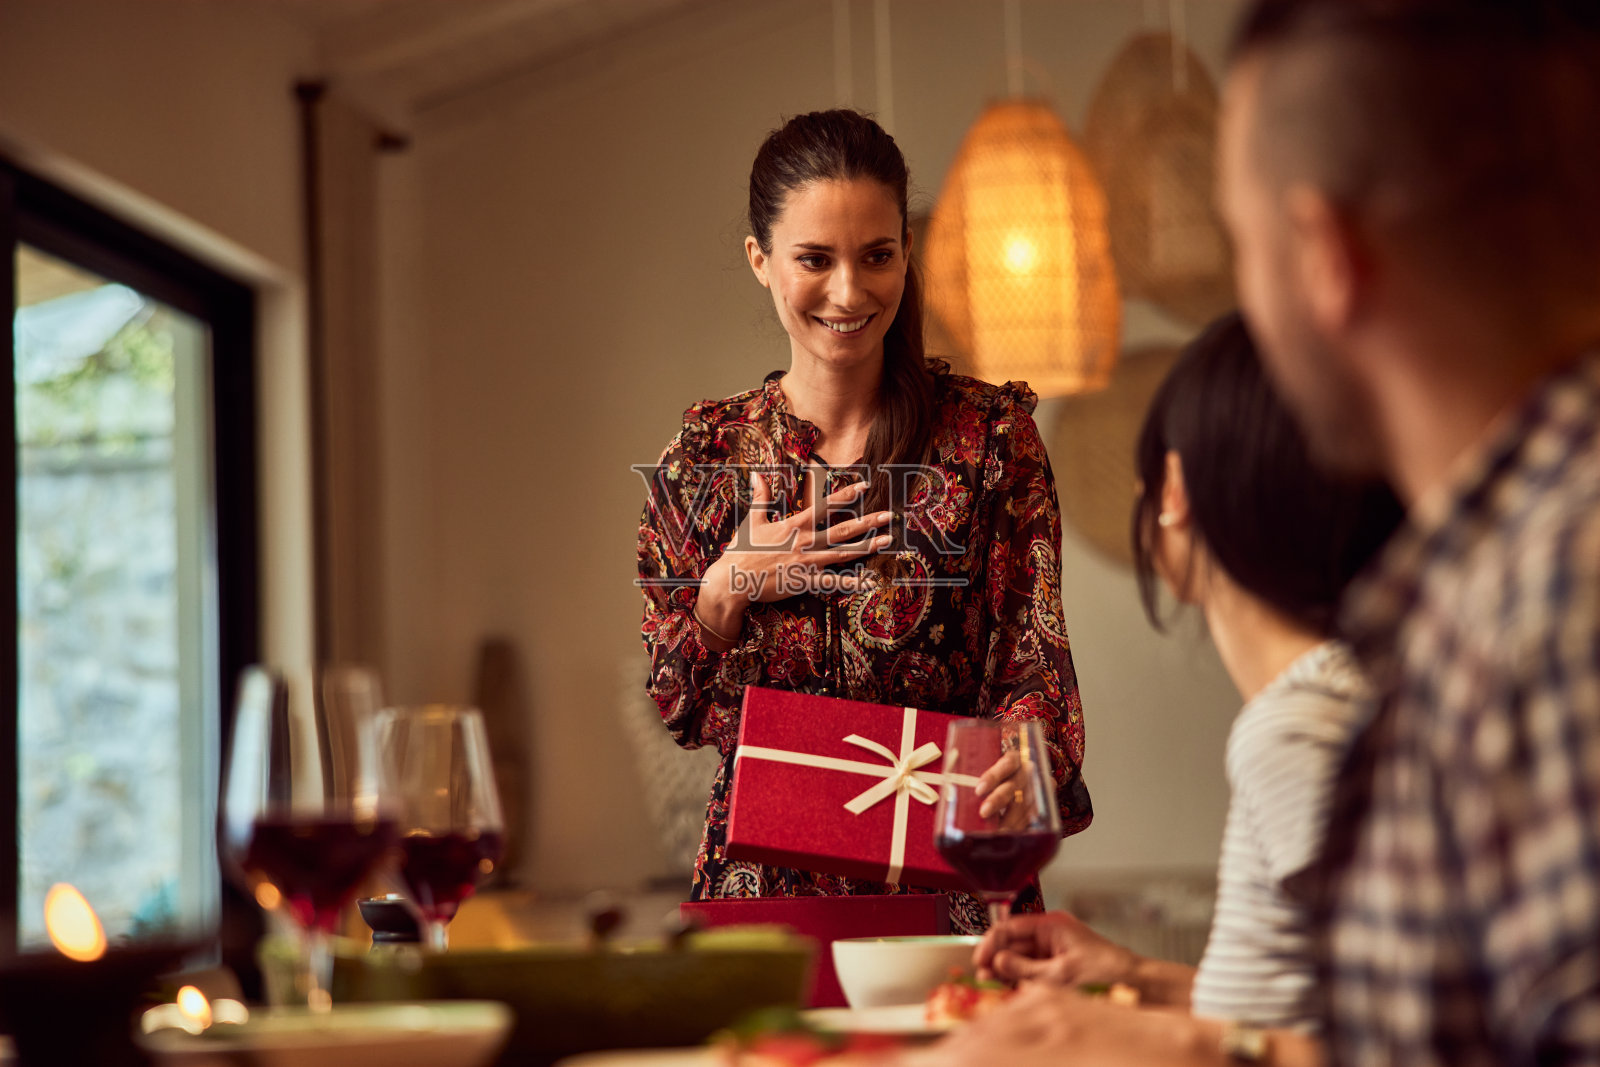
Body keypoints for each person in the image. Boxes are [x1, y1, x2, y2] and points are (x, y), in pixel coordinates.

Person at [918, 0, 1600, 1062]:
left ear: (1325, 254)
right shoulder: (1467, 600)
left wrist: (1194, 1050)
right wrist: (1145, 990)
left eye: (1243, 244)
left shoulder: (1551, 598)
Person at [636, 109, 1092, 932]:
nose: (850, 291)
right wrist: (727, 584)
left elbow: (1033, 661)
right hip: (764, 898)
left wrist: (1025, 760)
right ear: (761, 262)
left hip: (955, 886)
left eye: (877, 256)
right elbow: (677, 705)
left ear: (906, 256)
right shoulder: (704, 456)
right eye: (815, 259)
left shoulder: (990, 439)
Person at [974, 313, 1401, 1033]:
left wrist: (1109, 1035)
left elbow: (1391, 1034)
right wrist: (1136, 976)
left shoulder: (1298, 727)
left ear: (1173, 490)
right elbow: (1292, 1008)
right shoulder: (1339, 693)